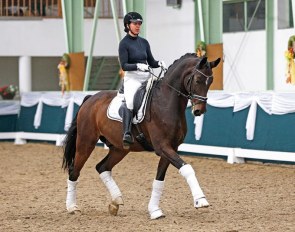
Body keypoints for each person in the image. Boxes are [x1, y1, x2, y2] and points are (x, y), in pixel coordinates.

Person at [118, 11, 167, 148]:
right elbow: (124, 65)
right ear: (128, 25)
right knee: (130, 102)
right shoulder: (124, 44)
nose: (138, 26)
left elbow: (151, 62)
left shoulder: (144, 42)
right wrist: (138, 66)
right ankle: (127, 132)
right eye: (135, 23)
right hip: (132, 78)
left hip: (146, 76)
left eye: (139, 23)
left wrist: (159, 63)